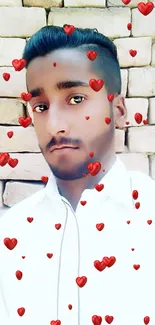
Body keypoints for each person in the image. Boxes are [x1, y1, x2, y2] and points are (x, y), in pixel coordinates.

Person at [0, 25, 155, 325]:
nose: (54, 124)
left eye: (75, 99)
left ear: (119, 111)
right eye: (41, 106)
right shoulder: (10, 235)